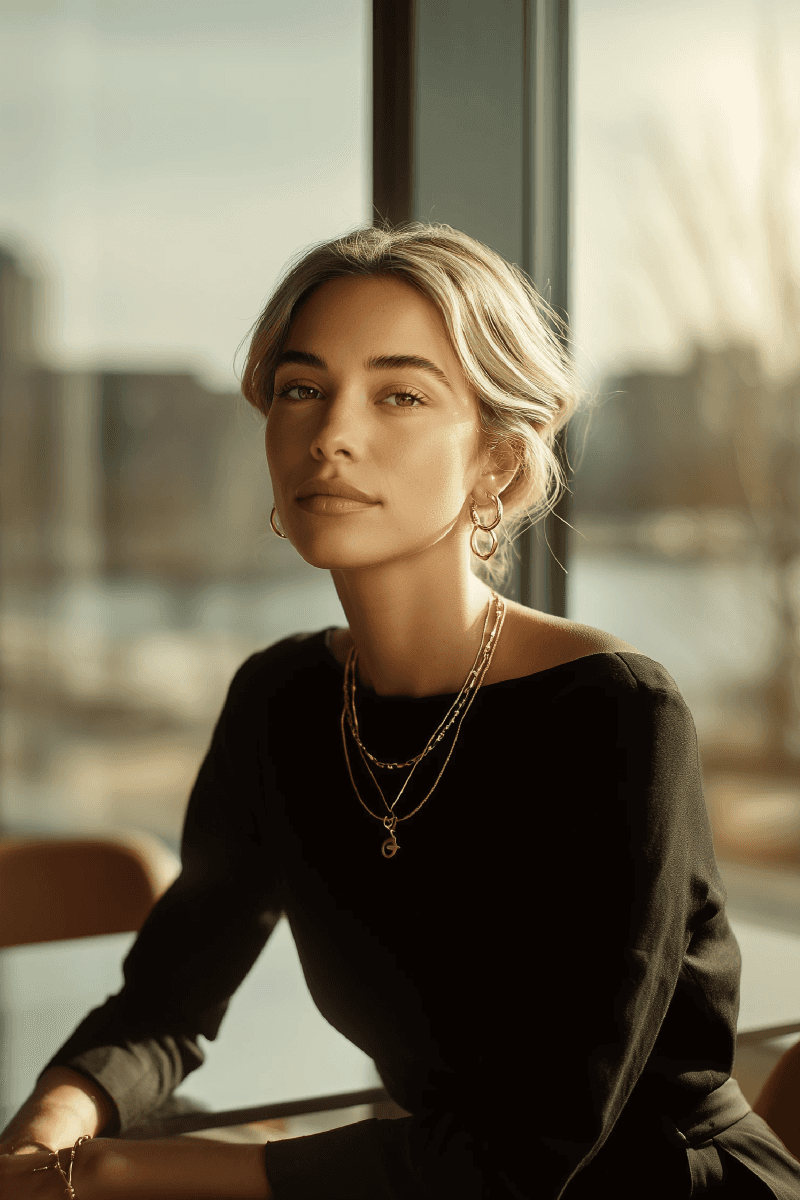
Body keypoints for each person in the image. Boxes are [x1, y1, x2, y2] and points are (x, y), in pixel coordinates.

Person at [1, 221, 799, 1200]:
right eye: (301, 389)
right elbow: (165, 1004)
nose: (331, 432)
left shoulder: (614, 714)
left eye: (398, 395)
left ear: (495, 464)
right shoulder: (279, 698)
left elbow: (533, 1147)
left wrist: (147, 1170)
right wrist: (61, 1112)